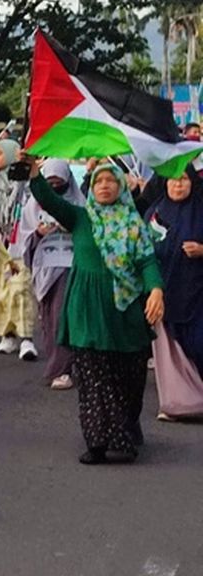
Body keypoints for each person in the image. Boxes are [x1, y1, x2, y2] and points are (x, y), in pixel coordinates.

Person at [27, 157, 163, 463]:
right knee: (92, 377)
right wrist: (35, 173)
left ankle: (126, 427)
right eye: (99, 181)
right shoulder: (81, 218)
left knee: (129, 376)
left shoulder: (134, 225)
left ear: (121, 187)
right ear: (91, 187)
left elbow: (147, 262)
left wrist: (156, 289)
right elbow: (48, 199)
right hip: (86, 310)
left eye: (110, 181)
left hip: (125, 311)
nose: (104, 186)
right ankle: (100, 441)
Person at [145, 169, 203, 420]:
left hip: (197, 293)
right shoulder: (154, 213)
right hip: (163, 292)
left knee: (199, 344)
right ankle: (179, 404)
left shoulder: (200, 210)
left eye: (184, 180)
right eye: (173, 180)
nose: (178, 185)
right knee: (170, 352)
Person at [19, 160, 82, 389]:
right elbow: (24, 237)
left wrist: (72, 227)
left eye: (60, 183)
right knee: (48, 318)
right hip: (44, 268)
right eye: (50, 183)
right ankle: (60, 363)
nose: (55, 186)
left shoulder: (78, 203)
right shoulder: (32, 206)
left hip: (70, 268)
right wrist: (38, 233)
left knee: (63, 316)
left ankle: (62, 368)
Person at [0, 139, 37, 360]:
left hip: (19, 244)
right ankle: (8, 335)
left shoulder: (26, 181)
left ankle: (27, 338)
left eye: (0, 153)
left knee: (20, 289)